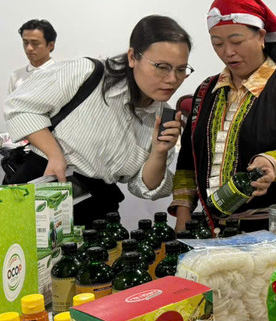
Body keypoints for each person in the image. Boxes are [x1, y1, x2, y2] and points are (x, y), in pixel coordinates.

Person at [4, 15, 189, 226]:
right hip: (42, 187)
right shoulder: (87, 73)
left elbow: (144, 187)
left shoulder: (162, 118)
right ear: (132, 57)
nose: (173, 79)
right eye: (162, 66)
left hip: (98, 210)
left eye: (181, 69)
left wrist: (159, 151)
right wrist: (54, 154)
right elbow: (20, 106)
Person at [170, 0, 276, 232]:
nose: (227, 52)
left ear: (261, 36)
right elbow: (189, 159)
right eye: (217, 43)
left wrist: (273, 162)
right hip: (213, 229)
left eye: (236, 41)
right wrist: (183, 214)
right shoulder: (206, 91)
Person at [8, 19, 58, 94]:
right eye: (25, 43)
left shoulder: (61, 73)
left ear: (51, 45)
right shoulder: (16, 75)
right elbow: (10, 105)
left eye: (35, 43)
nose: (29, 48)